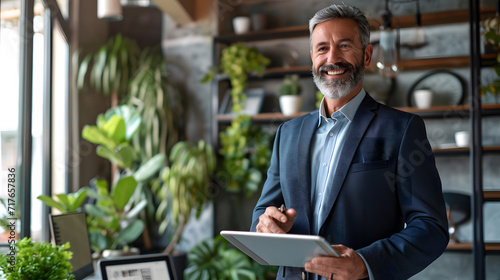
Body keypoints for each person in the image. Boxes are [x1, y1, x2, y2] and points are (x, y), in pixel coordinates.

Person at [250, 4, 449, 280]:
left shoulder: (402, 130)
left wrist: (365, 263)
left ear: (366, 55)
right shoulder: (287, 133)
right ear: (312, 58)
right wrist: (266, 223)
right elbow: (263, 212)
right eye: (322, 48)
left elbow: (431, 228)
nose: (332, 58)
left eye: (344, 46)